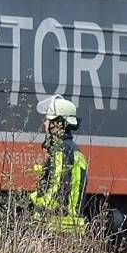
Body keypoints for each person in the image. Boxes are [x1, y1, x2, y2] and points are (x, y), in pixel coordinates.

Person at [29, 94, 88, 234]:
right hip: (69, 226)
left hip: (55, 226)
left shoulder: (61, 151)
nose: (45, 123)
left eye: (48, 120)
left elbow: (58, 186)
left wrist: (36, 201)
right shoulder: (73, 150)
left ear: (58, 124)